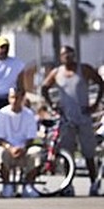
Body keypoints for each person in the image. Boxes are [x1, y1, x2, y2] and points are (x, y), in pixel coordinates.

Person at [41, 46, 103, 196]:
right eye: (64, 55)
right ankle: (68, 185)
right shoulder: (57, 73)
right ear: (60, 57)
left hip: (83, 117)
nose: (67, 57)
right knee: (68, 152)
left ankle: (93, 183)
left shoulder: (84, 69)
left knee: (88, 152)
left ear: (74, 55)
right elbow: (44, 88)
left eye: (70, 54)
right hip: (66, 119)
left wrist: (95, 104)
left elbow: (100, 83)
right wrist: (53, 105)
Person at [0, 87, 42, 198]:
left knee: (36, 152)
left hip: (24, 149)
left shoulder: (29, 114)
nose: (14, 101)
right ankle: (7, 186)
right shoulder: (2, 113)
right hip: (7, 149)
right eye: (12, 97)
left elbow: (31, 137)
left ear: (22, 98)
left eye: (17, 98)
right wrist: (10, 148)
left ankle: (28, 185)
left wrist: (23, 148)